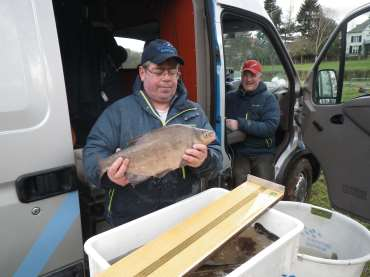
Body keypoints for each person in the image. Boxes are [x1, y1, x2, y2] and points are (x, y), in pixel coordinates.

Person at [83, 39, 223, 226]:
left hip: (184, 213)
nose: (167, 78)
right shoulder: (118, 112)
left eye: (172, 72)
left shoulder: (194, 111)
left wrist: (205, 160)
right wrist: (108, 177)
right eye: (159, 71)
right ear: (142, 73)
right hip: (131, 220)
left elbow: (218, 159)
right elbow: (93, 153)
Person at [225, 59, 280, 185]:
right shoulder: (230, 98)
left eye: (252, 75)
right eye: (245, 75)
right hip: (239, 152)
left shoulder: (269, 99)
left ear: (260, 77)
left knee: (264, 191)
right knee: (240, 188)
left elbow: (270, 127)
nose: (248, 79)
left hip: (262, 152)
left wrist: (240, 124)